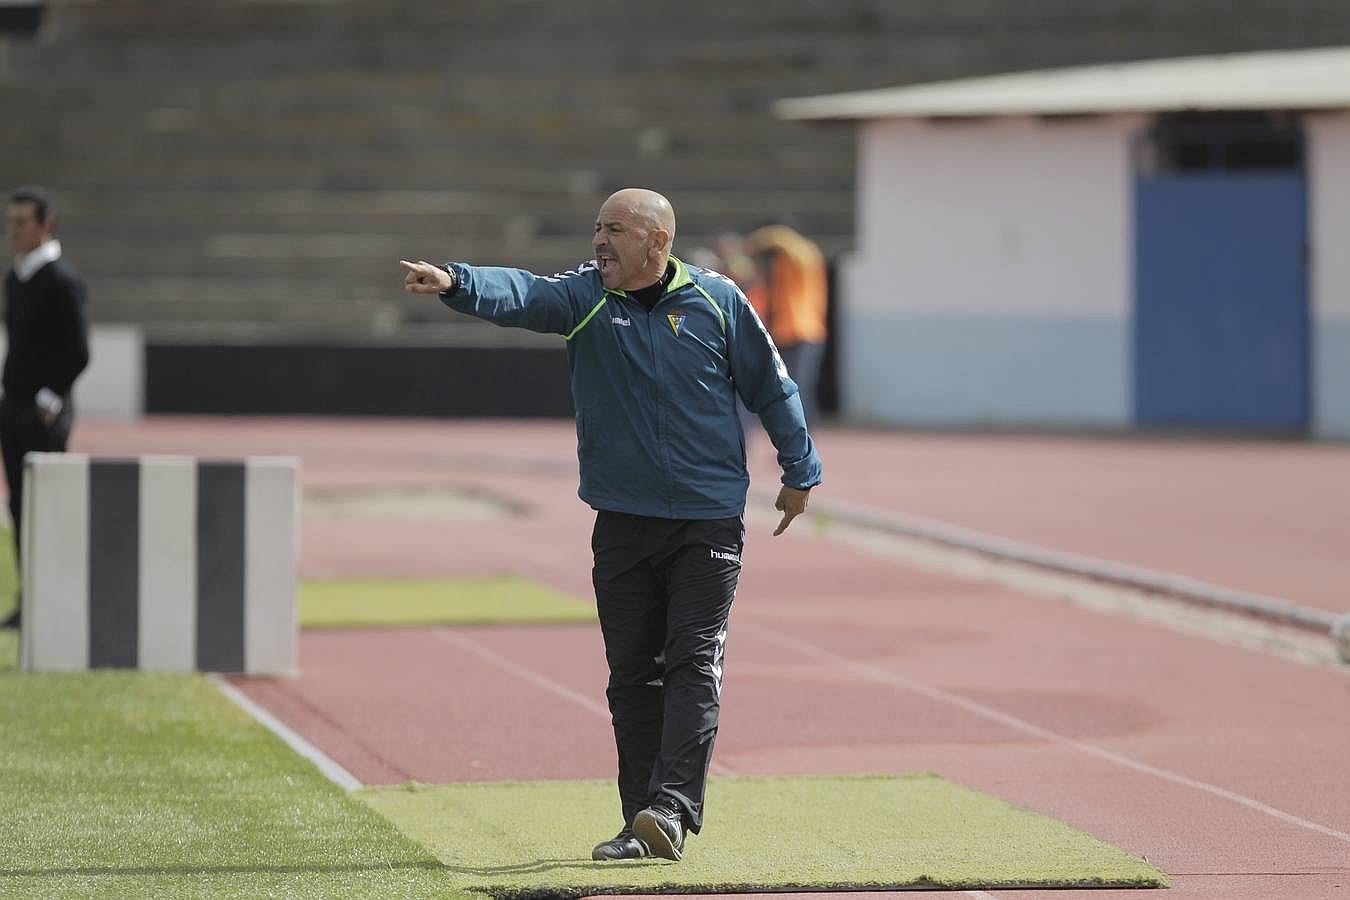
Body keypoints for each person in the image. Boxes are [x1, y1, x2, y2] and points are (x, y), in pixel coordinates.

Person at [400, 188, 822, 863]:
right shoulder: (585, 296)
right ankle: (641, 822)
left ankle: (672, 807)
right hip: (623, 519)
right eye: (597, 227)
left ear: (658, 242)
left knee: (693, 659)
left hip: (707, 520)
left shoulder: (717, 300)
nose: (599, 241)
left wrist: (800, 470)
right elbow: (525, 294)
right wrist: (458, 281)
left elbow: (773, 386)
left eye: (615, 230)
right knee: (632, 674)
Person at [1, 186, 90, 630]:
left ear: (45, 225)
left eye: (21, 222)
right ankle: (30, 598)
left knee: (49, 505)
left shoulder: (62, 281)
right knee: (18, 504)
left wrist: (48, 397)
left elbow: (78, 351)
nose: (12, 231)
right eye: (10, 221)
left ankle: (59, 598)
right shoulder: (16, 277)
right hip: (12, 405)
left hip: (43, 412)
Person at [745, 224, 828, 425]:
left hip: (803, 331)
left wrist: (749, 245)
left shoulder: (803, 254)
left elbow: (781, 240)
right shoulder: (782, 264)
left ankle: (804, 438)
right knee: (783, 387)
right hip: (784, 332)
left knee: (798, 388)